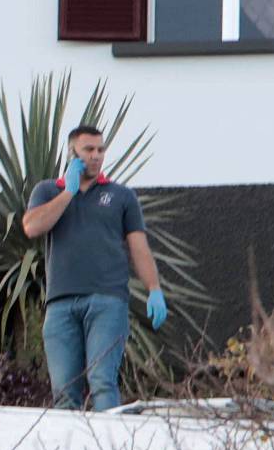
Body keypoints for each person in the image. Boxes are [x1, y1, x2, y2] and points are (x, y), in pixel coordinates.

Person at [21, 121, 167, 413]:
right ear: (72, 153)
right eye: (89, 149)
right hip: (60, 304)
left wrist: (154, 289)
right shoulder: (48, 190)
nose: (96, 155)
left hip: (107, 300)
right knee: (63, 391)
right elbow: (32, 227)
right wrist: (68, 193)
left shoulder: (121, 195)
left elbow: (139, 247)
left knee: (102, 381)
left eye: (101, 149)